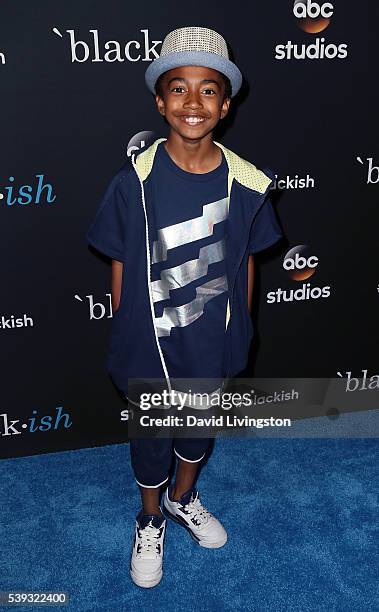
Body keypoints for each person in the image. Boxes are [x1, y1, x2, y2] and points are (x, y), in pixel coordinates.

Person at [86, 26, 283, 588]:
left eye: (207, 90)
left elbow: (247, 259)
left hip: (211, 339)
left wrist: (237, 331)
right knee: (152, 436)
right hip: (150, 341)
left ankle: (182, 498)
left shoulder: (247, 183)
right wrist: (129, 330)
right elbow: (120, 261)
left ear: (225, 104)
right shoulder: (134, 182)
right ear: (159, 100)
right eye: (179, 88)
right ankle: (150, 517)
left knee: (197, 430)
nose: (192, 103)